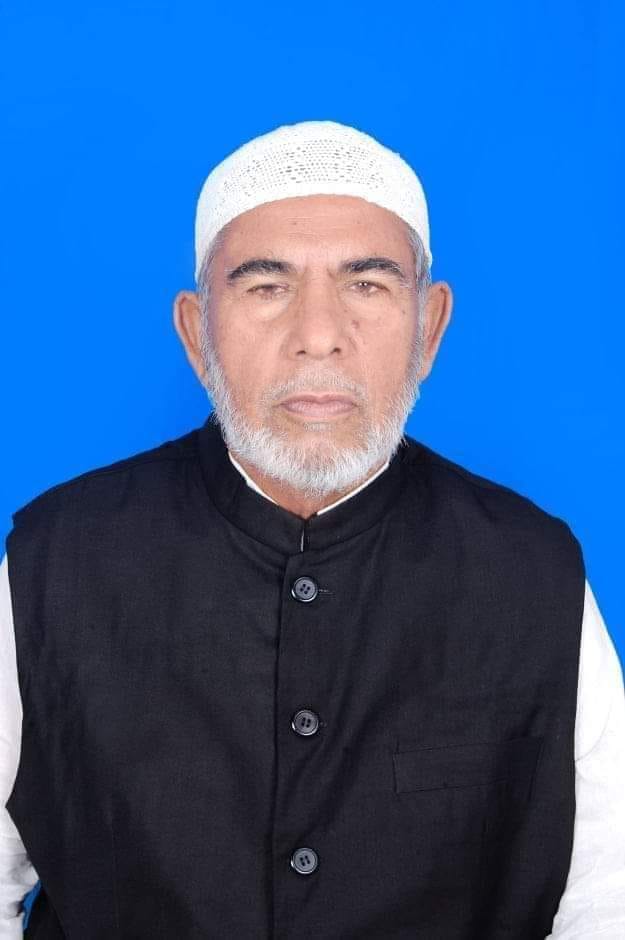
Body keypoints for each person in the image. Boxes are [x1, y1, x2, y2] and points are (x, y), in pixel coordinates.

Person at [1, 119, 624, 939]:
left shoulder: (530, 570)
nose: (318, 336)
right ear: (195, 333)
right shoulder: (56, 561)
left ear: (430, 326)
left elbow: (605, 900)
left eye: (367, 285)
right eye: (267, 286)